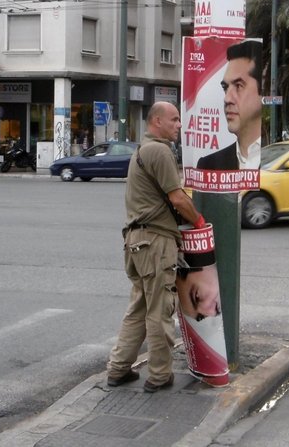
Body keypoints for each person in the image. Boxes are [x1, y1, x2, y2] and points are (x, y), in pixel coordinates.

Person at [108, 101, 206, 393]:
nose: (179, 125)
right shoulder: (159, 151)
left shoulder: (141, 150)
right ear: (157, 121)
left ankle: (118, 368)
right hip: (155, 243)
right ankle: (160, 375)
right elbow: (176, 198)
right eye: (174, 120)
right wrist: (199, 221)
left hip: (136, 242)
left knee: (139, 308)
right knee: (160, 310)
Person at [196, 39, 264, 171]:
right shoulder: (209, 165)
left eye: (238, 86)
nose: (227, 98)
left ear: (263, 91)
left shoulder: (280, 158)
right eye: (226, 88)